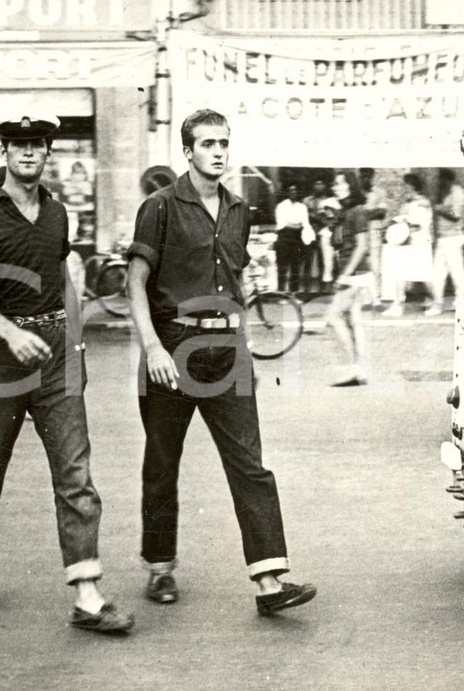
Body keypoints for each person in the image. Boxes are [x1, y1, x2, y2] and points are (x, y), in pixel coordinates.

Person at [126, 108, 316, 616]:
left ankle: (269, 580)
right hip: (173, 347)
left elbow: (234, 277)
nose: (218, 151)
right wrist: (152, 347)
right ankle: (160, 566)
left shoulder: (238, 210)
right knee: (163, 464)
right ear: (187, 151)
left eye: (224, 142)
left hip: (228, 351)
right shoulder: (160, 207)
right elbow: (135, 283)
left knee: (250, 465)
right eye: (207, 143)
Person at [0, 111, 133, 633]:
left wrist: (74, 344)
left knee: (75, 475)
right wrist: (10, 333)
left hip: (55, 352)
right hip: (1, 353)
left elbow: (63, 280)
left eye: (37, 145)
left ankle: (88, 595)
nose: (28, 152)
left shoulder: (58, 215)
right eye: (18, 144)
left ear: (48, 153)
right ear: (3, 152)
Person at [325, 175, 373, 387]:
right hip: (352, 272)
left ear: (352, 186)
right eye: (334, 184)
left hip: (355, 274)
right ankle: (359, 370)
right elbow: (337, 244)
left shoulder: (358, 211)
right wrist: (333, 223)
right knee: (354, 322)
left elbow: (363, 246)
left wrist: (346, 274)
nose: (336, 188)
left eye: (341, 184)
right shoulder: (344, 212)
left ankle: (352, 367)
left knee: (334, 317)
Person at [381, 173, 434, 318]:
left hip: (420, 242)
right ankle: (398, 305)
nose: (403, 189)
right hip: (408, 243)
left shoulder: (422, 202)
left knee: (424, 275)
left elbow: (419, 223)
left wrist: (404, 220)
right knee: (400, 273)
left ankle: (435, 301)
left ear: (411, 186)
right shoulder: (408, 202)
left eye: (405, 185)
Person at [426, 169, 464, 316]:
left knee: (456, 272)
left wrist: (439, 210)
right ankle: (437, 303)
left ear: (447, 179)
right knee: (438, 273)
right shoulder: (447, 192)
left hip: (453, 236)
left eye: (441, 179)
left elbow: (456, 215)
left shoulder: (457, 193)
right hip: (444, 237)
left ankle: (462, 303)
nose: (439, 183)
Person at [273, 183, 313, 293]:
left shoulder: (302, 207)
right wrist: (296, 225)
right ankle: (281, 292)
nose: (293, 192)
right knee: (282, 267)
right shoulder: (281, 206)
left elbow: (305, 224)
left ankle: (294, 293)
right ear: (287, 192)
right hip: (283, 238)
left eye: (295, 190)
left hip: (297, 239)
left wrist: (294, 225)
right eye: (291, 190)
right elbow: (282, 224)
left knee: (295, 268)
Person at [358, 168, 388, 308]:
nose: (365, 179)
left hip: (375, 231)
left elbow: (381, 213)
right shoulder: (356, 193)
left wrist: (364, 214)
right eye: (363, 176)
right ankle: (365, 299)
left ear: (372, 177)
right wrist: (371, 212)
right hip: (360, 233)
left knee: (376, 266)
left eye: (368, 176)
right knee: (362, 266)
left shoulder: (379, 192)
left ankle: (377, 298)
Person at [302, 178, 330, 293]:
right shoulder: (307, 200)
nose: (319, 186)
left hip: (322, 234)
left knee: (323, 260)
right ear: (313, 185)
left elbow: (329, 218)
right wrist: (315, 217)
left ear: (325, 186)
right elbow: (303, 216)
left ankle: (323, 287)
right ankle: (305, 288)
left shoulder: (328, 201)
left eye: (321, 183)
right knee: (307, 260)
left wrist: (316, 217)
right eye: (316, 183)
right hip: (309, 234)